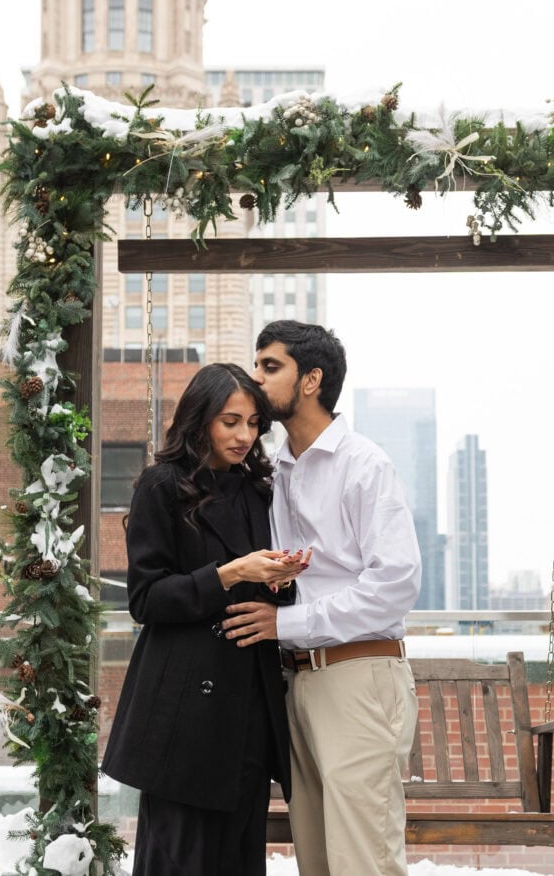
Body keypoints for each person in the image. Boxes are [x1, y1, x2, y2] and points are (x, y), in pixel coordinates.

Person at [222, 321, 421, 876]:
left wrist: (284, 623)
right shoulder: (277, 468)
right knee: (317, 861)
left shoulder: (364, 464)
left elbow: (395, 585)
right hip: (296, 683)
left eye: (270, 366)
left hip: (357, 679)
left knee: (364, 862)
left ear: (310, 380)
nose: (255, 378)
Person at [101, 362, 309, 876]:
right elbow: (146, 598)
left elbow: (269, 600)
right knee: (178, 858)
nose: (245, 436)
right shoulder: (161, 486)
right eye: (230, 421)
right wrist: (230, 573)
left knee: (240, 857)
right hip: (183, 712)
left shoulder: (259, 490)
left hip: (250, 705)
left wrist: (282, 582)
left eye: (254, 423)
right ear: (199, 421)